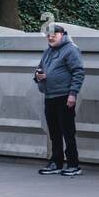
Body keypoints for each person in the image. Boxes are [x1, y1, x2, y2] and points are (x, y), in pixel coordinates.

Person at [34, 24, 85, 176]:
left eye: (54, 34)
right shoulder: (48, 51)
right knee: (54, 132)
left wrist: (72, 94)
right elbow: (39, 69)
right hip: (50, 96)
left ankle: (73, 165)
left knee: (68, 132)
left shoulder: (71, 49)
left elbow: (78, 72)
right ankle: (56, 162)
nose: (50, 37)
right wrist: (38, 75)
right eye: (48, 35)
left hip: (65, 96)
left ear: (62, 34)